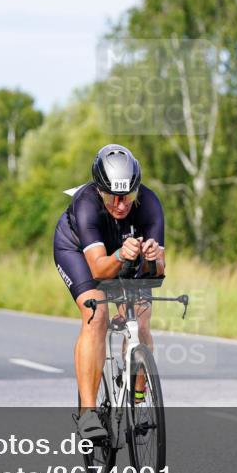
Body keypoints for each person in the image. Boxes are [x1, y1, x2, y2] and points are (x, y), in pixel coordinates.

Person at [53, 144, 165, 440]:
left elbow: (159, 271)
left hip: (121, 252)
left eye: (128, 195)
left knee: (141, 317)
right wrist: (120, 257)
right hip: (78, 251)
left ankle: (138, 400)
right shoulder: (86, 204)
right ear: (99, 190)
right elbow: (100, 271)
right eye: (113, 196)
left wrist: (153, 258)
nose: (121, 204)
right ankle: (88, 413)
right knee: (97, 313)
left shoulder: (150, 204)